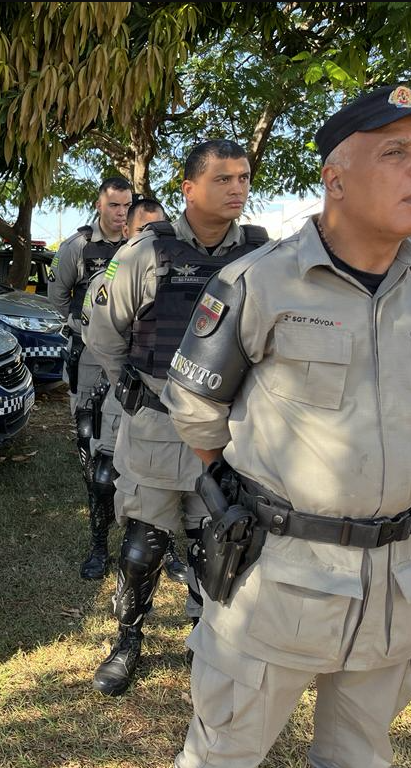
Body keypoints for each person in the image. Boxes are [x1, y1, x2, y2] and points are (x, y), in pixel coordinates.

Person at [164, 84, 411, 767]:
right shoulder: (260, 283)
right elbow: (194, 409)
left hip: (394, 587)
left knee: (360, 756)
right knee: (224, 755)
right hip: (278, 580)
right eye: (396, 152)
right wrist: (248, 498)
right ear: (335, 177)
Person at [85, 140, 268, 696]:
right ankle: (128, 640)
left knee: (220, 541)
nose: (237, 188)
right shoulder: (145, 253)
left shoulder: (263, 256)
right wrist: (126, 384)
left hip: (235, 430)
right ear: (189, 189)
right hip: (158, 425)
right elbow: (102, 328)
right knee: (144, 543)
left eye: (243, 178)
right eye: (223, 179)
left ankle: (205, 638)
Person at [78, 197, 190, 582]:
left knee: (173, 478)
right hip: (122, 390)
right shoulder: (108, 279)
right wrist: (126, 380)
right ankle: (98, 544)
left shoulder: (178, 275)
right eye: (144, 230)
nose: (152, 240)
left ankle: (168, 547)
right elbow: (102, 338)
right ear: (127, 231)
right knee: (105, 475)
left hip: (172, 400)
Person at [49, 178, 131, 578]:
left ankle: (153, 540)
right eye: (114, 206)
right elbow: (58, 296)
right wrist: (82, 327)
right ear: (100, 205)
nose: (121, 214)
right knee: (93, 451)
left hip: (134, 363)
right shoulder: (79, 247)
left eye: (126, 206)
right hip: (90, 361)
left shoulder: (142, 244)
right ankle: (98, 542)